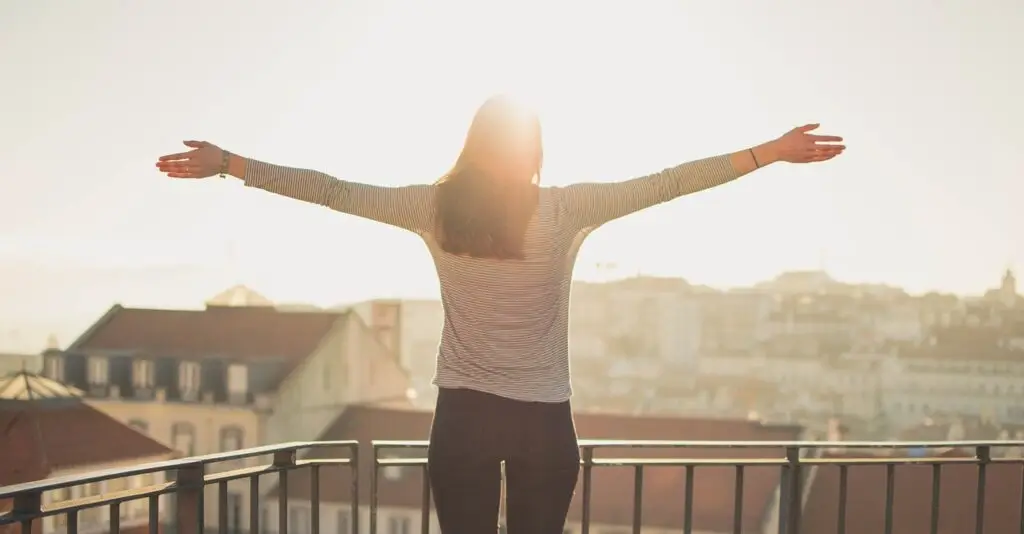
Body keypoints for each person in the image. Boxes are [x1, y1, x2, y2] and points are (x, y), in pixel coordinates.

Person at [156, 95, 845, 534]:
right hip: (544, 421)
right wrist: (768, 153)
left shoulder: (433, 207)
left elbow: (333, 192)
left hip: (463, 420)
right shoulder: (566, 208)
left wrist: (230, 164)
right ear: (533, 150)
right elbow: (668, 183)